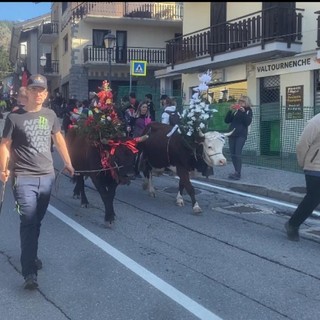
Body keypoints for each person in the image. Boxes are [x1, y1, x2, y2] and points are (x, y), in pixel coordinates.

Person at [0, 74, 75, 290]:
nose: (39, 93)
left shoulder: (50, 115)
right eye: (35, 89)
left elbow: (58, 139)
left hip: (47, 176)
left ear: (46, 93)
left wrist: (68, 162)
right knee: (28, 221)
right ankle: (29, 272)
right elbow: (5, 145)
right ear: (28, 91)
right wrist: (3, 169)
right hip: (23, 177)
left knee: (37, 220)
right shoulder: (15, 118)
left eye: (42, 90)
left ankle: (31, 255)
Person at [284, 113, 320, 241]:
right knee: (313, 200)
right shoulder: (316, 122)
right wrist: (303, 163)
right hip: (315, 168)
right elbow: (302, 144)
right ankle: (292, 224)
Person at [224, 95, 253, 180]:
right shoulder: (236, 110)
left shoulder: (248, 111)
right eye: (239, 101)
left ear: (246, 102)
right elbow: (227, 120)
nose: (240, 103)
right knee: (232, 154)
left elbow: (247, 122)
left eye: (242, 101)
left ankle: (238, 173)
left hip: (241, 135)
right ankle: (236, 171)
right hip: (232, 134)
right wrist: (230, 110)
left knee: (237, 153)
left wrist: (243, 112)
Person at [132, 101, 152, 178]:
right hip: (136, 138)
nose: (144, 109)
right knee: (134, 155)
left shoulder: (148, 118)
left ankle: (137, 171)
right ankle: (132, 170)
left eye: (146, 107)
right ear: (140, 108)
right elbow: (130, 125)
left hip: (144, 138)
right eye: (143, 107)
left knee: (141, 155)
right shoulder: (135, 116)